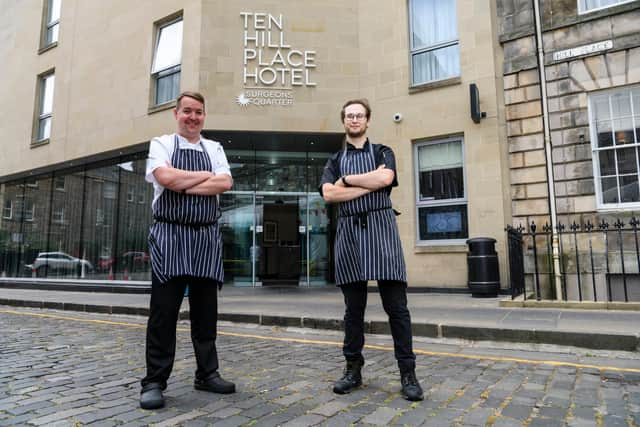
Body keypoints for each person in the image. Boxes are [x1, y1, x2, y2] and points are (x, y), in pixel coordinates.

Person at [319, 99, 424, 401]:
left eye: (359, 115)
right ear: (344, 121)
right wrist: (369, 184)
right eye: (349, 116)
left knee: (397, 309)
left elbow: (386, 177)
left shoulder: (382, 152)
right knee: (354, 311)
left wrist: (349, 182)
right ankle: (353, 370)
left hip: (381, 232)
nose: (354, 120)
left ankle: (408, 373)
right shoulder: (334, 159)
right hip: (350, 235)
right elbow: (329, 194)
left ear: (367, 120)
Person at [140, 91, 234, 410]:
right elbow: (164, 177)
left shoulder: (214, 147)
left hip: (206, 239)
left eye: (199, 112)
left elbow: (224, 184)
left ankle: (207, 374)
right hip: (170, 235)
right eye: (187, 111)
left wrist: (184, 182)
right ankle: (154, 382)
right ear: (176, 113)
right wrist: (205, 176)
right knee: (163, 315)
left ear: (204, 116)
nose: (193, 117)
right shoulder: (162, 143)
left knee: (206, 315)